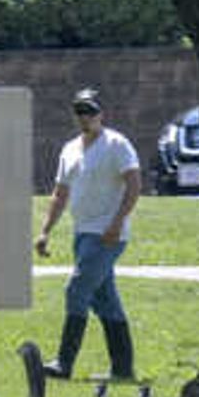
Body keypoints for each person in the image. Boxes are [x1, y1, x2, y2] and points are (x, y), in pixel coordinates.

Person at [36, 87, 144, 381]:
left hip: (108, 235)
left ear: (102, 114)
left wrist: (117, 223)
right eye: (80, 112)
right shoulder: (70, 149)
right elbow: (60, 194)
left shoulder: (117, 144)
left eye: (91, 112)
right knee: (105, 299)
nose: (85, 117)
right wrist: (45, 231)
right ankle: (123, 369)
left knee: (77, 290)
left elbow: (134, 185)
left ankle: (64, 363)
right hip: (83, 233)